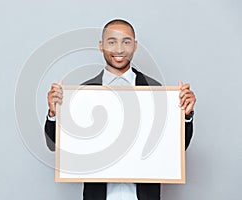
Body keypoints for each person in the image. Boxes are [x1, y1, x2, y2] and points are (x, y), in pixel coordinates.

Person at [44, 19, 196, 200]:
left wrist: (185, 117)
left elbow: (175, 148)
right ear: (101, 46)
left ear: (135, 46)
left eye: (126, 42)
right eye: (111, 42)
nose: (119, 49)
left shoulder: (155, 90)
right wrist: (54, 114)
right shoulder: (82, 92)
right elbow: (56, 145)